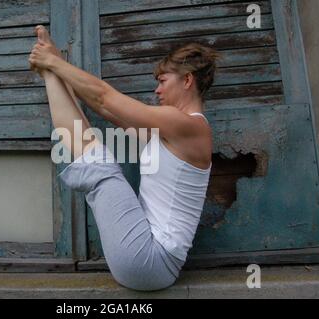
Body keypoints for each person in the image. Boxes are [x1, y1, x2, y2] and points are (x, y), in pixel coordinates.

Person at [29, 26, 218, 291]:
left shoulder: (189, 126)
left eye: (163, 81)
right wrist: (58, 68)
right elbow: (108, 112)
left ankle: (48, 73)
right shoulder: (170, 133)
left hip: (149, 260)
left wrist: (53, 62)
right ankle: (50, 76)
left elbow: (105, 99)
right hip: (149, 261)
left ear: (187, 80)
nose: (157, 90)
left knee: (100, 166)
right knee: (93, 153)